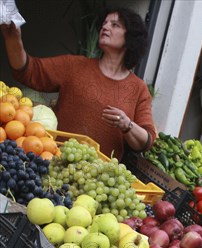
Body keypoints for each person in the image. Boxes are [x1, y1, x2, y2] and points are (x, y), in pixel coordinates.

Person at [0, 6, 157, 161]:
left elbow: (147, 140)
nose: (105, 27)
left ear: (130, 38)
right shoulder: (74, 65)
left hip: (99, 179)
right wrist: (13, 39)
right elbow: (29, 71)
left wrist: (127, 125)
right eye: (104, 23)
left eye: (114, 25)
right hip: (55, 161)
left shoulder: (138, 88)